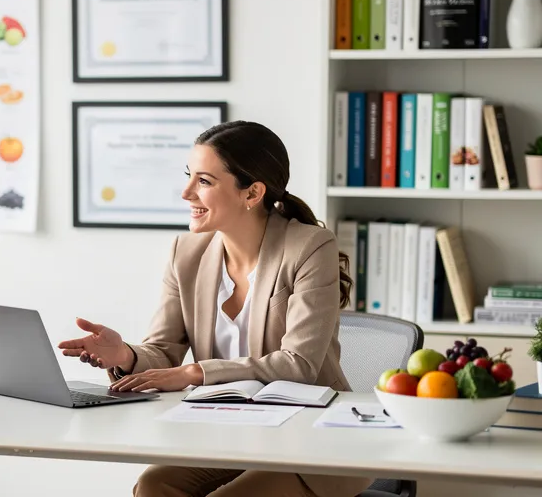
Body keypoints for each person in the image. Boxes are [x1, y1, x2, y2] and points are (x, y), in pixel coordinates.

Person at [57, 120, 373, 497]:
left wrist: (195, 372)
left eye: (204, 181)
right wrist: (124, 354)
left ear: (252, 192)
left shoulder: (308, 247)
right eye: (189, 177)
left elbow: (299, 365)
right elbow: (162, 352)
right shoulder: (186, 254)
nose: (186, 192)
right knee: (153, 485)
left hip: (310, 438)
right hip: (231, 432)